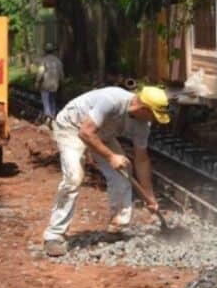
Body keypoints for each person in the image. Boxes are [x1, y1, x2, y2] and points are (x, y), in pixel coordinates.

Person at [42, 85, 171, 257]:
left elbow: (141, 159)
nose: (154, 120)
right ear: (143, 108)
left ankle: (117, 228)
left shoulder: (143, 124)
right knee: (74, 178)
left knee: (123, 171)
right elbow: (85, 132)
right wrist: (111, 157)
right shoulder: (112, 100)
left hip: (101, 133)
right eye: (153, 115)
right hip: (72, 127)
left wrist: (149, 196)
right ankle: (54, 235)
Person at [36, 43, 64, 119]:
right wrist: (61, 82)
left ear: (45, 51)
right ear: (53, 51)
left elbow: (40, 72)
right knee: (53, 101)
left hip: (45, 85)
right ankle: (53, 116)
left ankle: (48, 116)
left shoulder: (44, 61)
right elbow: (61, 74)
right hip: (55, 85)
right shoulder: (58, 61)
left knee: (46, 102)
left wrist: (37, 82)